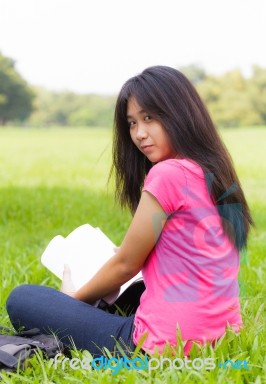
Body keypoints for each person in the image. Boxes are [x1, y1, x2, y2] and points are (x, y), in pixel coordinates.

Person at [6, 66, 253, 358]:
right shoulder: (215, 172)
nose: (139, 134)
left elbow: (126, 265)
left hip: (159, 344)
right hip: (220, 336)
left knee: (23, 298)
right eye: (132, 123)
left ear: (181, 113)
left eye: (149, 118)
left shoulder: (169, 173)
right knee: (125, 292)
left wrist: (71, 300)